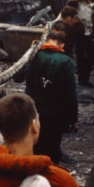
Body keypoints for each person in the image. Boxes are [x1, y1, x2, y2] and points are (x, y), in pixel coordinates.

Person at [14, 31, 77, 163]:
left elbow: (17, 78)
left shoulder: (33, 56)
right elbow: (70, 93)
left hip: (31, 112)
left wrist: (30, 52)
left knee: (33, 150)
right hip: (54, 115)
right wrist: (72, 118)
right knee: (51, 153)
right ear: (62, 45)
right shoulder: (65, 61)